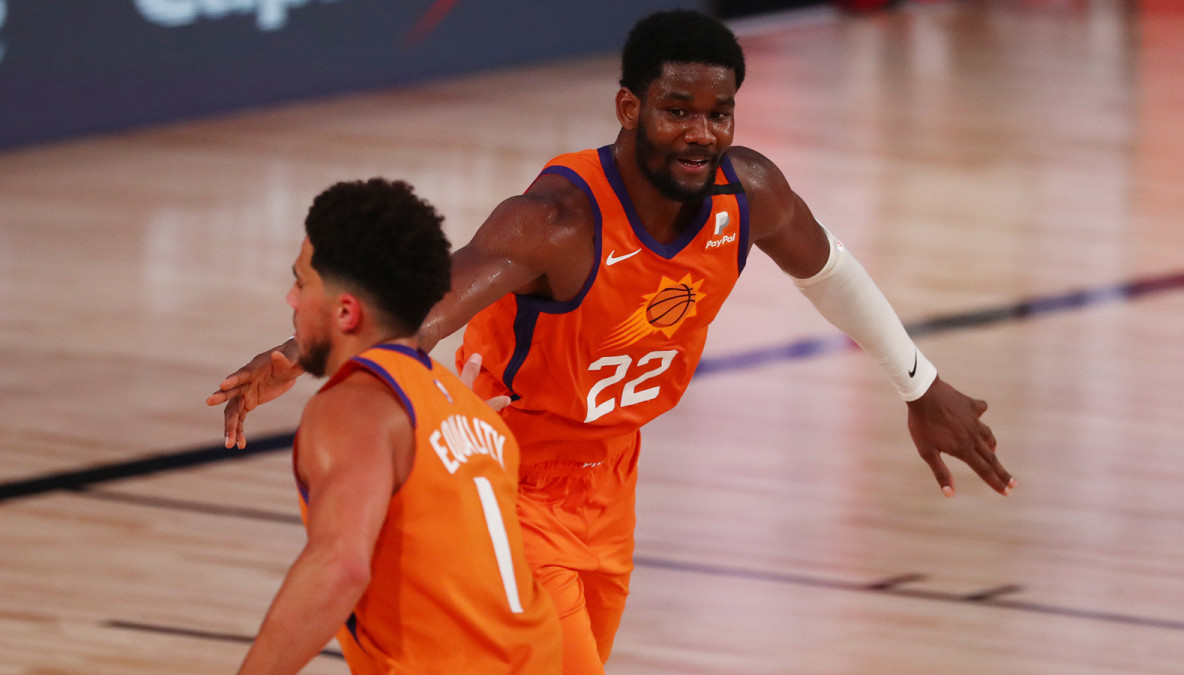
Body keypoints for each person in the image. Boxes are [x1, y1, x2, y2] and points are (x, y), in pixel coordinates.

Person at [210, 11, 1015, 674]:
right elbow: (426, 311)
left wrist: (919, 382)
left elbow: (830, 270)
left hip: (613, 481)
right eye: (678, 110)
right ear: (630, 108)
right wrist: (296, 353)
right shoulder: (557, 222)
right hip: (513, 480)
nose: (701, 133)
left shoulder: (749, 191)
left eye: (718, 112)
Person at [234, 178, 562, 674]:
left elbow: (340, 568)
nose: (290, 299)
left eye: (302, 283)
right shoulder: (473, 414)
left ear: (345, 310)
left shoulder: (355, 406)